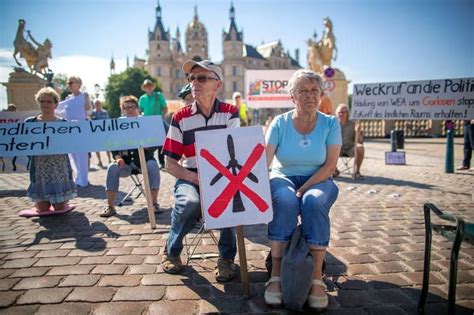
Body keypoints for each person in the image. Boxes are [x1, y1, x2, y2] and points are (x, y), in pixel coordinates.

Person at [264, 69, 341, 310]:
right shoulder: (280, 122)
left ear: (320, 94)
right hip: (283, 175)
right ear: (292, 97)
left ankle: (316, 277)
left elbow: (330, 166)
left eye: (314, 90)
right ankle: (276, 274)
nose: (310, 95)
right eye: (303, 91)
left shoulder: (330, 123)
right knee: (285, 201)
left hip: (318, 178)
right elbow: (264, 161)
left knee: (314, 202)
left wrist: (305, 189)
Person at [162, 60, 240, 282]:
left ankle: (226, 259)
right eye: (191, 78)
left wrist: (216, 183)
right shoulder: (180, 117)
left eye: (202, 78)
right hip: (191, 176)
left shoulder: (230, 113)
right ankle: (172, 251)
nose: (194, 82)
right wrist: (196, 179)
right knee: (188, 203)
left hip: (224, 176)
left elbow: (235, 155)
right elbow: (170, 164)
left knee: (228, 201)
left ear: (217, 84)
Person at [100, 96, 161, 218]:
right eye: (127, 108)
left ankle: (154, 203)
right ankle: (110, 206)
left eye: (133, 107)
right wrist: (117, 157)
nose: (130, 110)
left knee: (153, 166)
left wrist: (149, 147)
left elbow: (157, 140)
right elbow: (113, 144)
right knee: (112, 168)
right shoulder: (118, 124)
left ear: (137, 108)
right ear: (123, 110)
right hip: (126, 164)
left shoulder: (146, 123)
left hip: (145, 161)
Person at [26, 87, 77, 213]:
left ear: (55, 104)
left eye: (48, 102)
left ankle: (62, 202)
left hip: (58, 167)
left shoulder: (64, 124)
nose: (45, 104)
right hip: (40, 168)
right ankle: (39, 204)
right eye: (42, 101)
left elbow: (72, 143)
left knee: (59, 208)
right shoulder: (30, 123)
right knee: (43, 209)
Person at [55, 76, 91, 187]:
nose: (69, 84)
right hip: (69, 130)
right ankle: (78, 178)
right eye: (68, 83)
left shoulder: (84, 96)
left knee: (82, 155)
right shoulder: (68, 98)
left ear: (79, 84)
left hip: (81, 129)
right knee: (73, 155)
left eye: (72, 82)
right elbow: (59, 112)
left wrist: (87, 99)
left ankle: (83, 180)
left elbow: (89, 111)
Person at [138, 79, 168, 169]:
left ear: (152, 86)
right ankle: (148, 160)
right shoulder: (142, 98)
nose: (148, 87)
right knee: (148, 142)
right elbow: (140, 110)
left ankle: (162, 163)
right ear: (145, 88)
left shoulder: (158, 96)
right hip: (147, 123)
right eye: (146, 86)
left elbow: (165, 108)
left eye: (149, 85)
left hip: (158, 121)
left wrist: (163, 116)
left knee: (161, 143)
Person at [334, 103, 365, 179]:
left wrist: (358, 132)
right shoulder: (333, 124)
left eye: (343, 112)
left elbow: (359, 141)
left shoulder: (353, 124)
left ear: (347, 113)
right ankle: (333, 170)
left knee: (360, 147)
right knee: (328, 147)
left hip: (350, 148)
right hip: (338, 148)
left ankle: (357, 171)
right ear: (336, 113)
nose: (341, 114)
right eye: (339, 112)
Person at [91, 100, 112, 168]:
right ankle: (99, 161)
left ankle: (109, 160)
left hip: (104, 133)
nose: (97, 105)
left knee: (107, 147)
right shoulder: (92, 113)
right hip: (96, 133)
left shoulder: (105, 112)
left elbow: (108, 122)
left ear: (101, 104)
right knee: (97, 148)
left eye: (98, 104)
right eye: (96, 104)